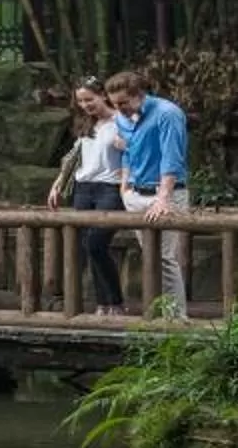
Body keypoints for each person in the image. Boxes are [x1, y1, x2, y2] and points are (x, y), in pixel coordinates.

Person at [104, 70, 191, 318]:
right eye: (114, 104)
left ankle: (175, 319)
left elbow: (172, 157)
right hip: (135, 192)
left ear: (138, 95)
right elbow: (128, 150)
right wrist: (124, 186)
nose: (118, 108)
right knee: (151, 257)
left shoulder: (167, 114)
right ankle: (158, 314)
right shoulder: (123, 118)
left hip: (164, 191)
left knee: (163, 258)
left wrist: (163, 198)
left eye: (123, 103)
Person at [45, 84, 127, 312]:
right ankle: (103, 302)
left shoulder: (122, 120)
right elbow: (74, 155)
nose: (85, 105)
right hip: (83, 187)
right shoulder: (85, 124)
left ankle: (115, 301)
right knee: (85, 246)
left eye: (89, 99)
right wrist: (58, 183)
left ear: (103, 95)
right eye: (81, 101)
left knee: (96, 242)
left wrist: (126, 147)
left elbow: (138, 149)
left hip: (110, 187)